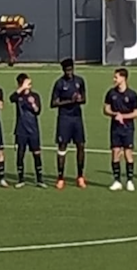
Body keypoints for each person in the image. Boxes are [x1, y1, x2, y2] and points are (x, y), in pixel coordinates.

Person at [51, 58, 88, 189]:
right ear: (63, 70)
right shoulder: (59, 83)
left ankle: (80, 176)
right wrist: (69, 101)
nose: (69, 72)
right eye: (67, 70)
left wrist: (79, 99)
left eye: (71, 69)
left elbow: (84, 99)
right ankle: (60, 177)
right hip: (64, 119)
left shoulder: (79, 81)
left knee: (81, 145)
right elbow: (53, 103)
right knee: (62, 146)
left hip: (77, 118)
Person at [104, 68, 137, 192]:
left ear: (123, 78)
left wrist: (123, 116)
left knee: (128, 153)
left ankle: (130, 180)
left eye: (116, 77)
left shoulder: (132, 95)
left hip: (128, 128)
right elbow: (106, 109)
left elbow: (136, 113)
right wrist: (115, 114)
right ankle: (117, 180)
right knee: (115, 153)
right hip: (115, 128)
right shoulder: (111, 93)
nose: (114, 79)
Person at [9, 73, 45, 188]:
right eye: (27, 83)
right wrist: (21, 89)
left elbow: (38, 111)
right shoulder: (18, 97)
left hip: (33, 129)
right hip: (21, 129)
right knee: (21, 154)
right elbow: (11, 98)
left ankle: (39, 179)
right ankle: (20, 179)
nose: (30, 85)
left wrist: (33, 104)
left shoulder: (35, 96)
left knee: (36, 154)